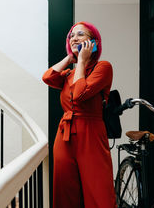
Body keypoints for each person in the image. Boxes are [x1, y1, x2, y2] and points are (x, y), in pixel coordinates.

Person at [42, 22, 116, 208]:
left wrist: (82, 61)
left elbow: (80, 94)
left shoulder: (103, 68)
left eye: (80, 34)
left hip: (91, 133)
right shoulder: (70, 73)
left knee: (98, 191)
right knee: (65, 190)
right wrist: (70, 57)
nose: (74, 38)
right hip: (65, 135)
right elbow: (48, 77)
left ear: (93, 42)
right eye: (71, 36)